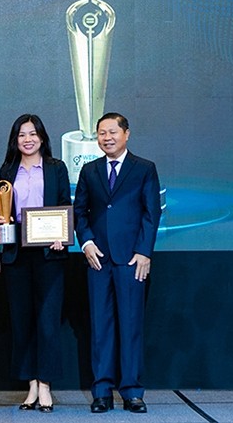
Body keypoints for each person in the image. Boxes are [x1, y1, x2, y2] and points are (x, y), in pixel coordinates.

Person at [73, 112, 161, 414]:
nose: (106, 138)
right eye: (101, 133)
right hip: (98, 260)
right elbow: (80, 212)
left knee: (131, 325)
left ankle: (133, 391)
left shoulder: (144, 169)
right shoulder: (89, 170)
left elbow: (151, 214)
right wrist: (85, 242)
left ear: (126, 134)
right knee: (101, 327)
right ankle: (102, 392)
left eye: (112, 132)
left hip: (132, 260)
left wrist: (144, 252)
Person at [0, 114, 71, 413]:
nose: (28, 139)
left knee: (48, 322)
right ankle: (29, 385)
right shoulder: (7, 170)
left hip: (49, 256)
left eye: (33, 134)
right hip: (16, 255)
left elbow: (66, 203)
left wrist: (61, 235)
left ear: (42, 137)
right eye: (21, 135)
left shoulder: (56, 168)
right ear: (15, 140)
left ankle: (46, 384)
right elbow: (3, 211)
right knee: (22, 321)